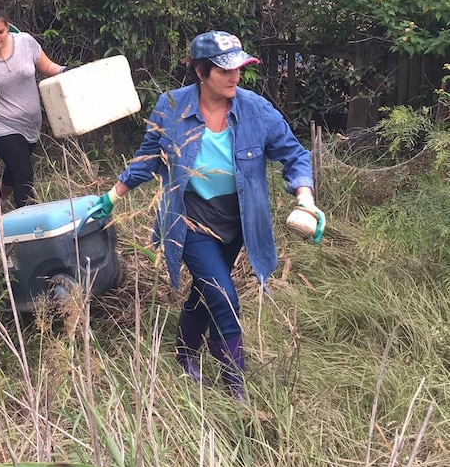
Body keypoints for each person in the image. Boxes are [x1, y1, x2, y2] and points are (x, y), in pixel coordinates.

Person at [93, 30, 325, 401]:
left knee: (205, 291)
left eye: (240, 69)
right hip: (189, 219)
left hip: (238, 221)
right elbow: (149, 156)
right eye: (225, 70)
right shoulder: (171, 105)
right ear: (201, 72)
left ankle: (184, 355)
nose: (235, 77)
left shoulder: (256, 110)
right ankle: (235, 381)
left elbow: (294, 155)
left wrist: (306, 198)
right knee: (224, 295)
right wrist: (112, 195)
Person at [0, 1, 70, 208]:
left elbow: (46, 65)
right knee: (24, 173)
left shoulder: (25, 42)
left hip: (30, 122)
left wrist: (64, 71)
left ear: (8, 26)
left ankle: (1, 195)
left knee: (16, 166)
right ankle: (26, 218)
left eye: (0, 32)